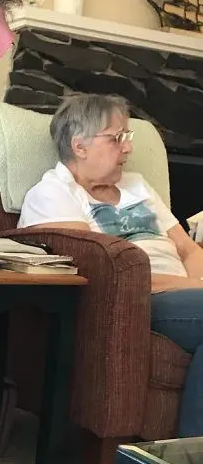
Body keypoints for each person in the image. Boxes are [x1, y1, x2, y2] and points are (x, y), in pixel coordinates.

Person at [18, 93, 203, 439]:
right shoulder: (53, 194)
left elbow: (189, 249)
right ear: (80, 146)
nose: (128, 149)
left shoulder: (138, 186)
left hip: (186, 297)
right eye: (117, 138)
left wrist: (197, 281)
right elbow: (108, 273)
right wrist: (195, 288)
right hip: (134, 303)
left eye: (127, 137)